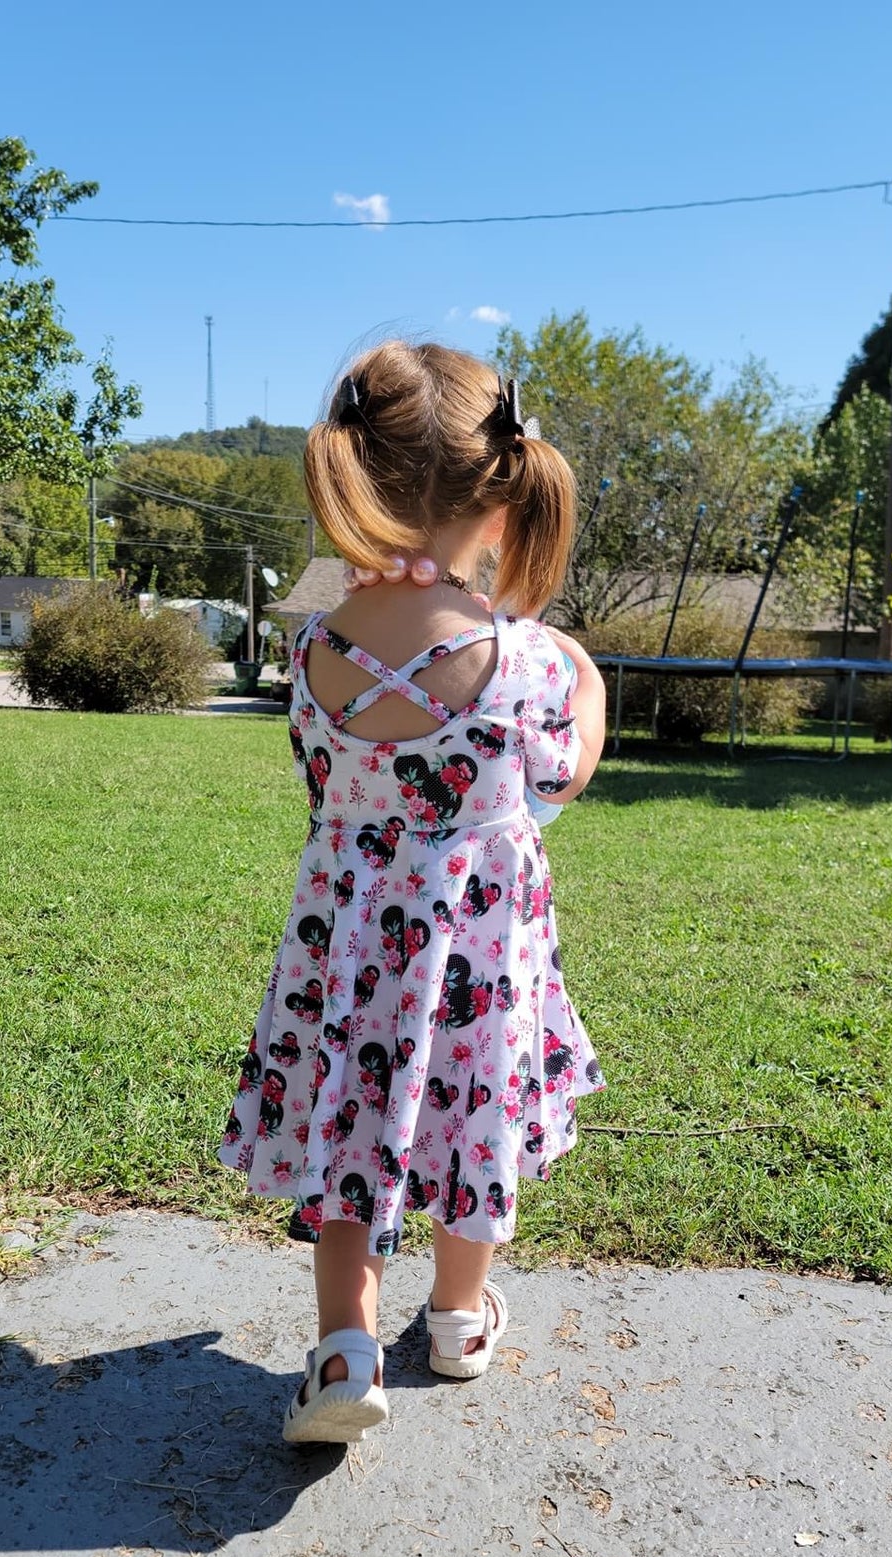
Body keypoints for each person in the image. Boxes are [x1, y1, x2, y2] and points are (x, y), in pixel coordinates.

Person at [219, 340, 607, 1444]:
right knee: (471, 1112)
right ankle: (453, 1318)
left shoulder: (310, 649)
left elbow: (319, 772)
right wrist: (584, 687)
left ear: (357, 484)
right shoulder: (529, 658)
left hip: (345, 953)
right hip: (478, 958)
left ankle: (346, 1345)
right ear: (499, 503)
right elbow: (558, 782)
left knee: (352, 1114)